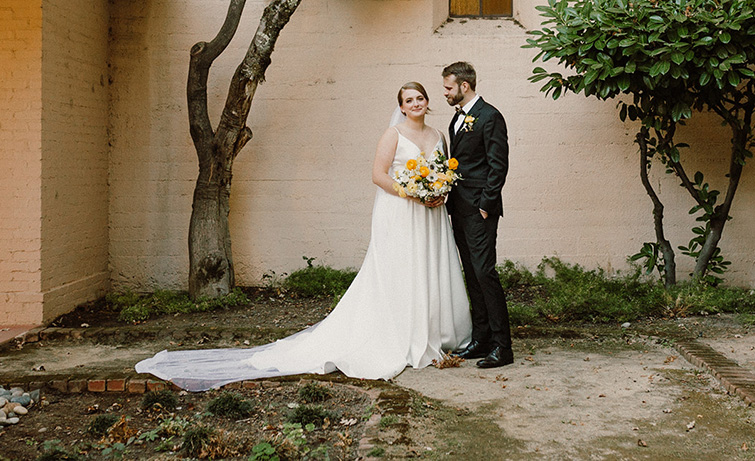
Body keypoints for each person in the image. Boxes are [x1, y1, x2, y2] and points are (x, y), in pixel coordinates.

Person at [135, 82, 471, 391]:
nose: (415, 103)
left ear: (427, 103)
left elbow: (443, 171)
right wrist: (411, 193)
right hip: (401, 212)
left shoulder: (439, 135)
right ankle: (400, 333)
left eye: (420, 98)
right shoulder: (393, 134)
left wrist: (437, 191)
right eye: (408, 100)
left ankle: (429, 331)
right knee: (400, 271)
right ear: (401, 105)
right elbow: (377, 175)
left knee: (427, 268)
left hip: (431, 214)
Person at [442, 61, 513, 369]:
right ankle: (481, 338)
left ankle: (502, 345)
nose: (444, 92)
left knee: (485, 272)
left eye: (448, 87)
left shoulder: (489, 116)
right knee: (471, 273)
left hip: (480, 210)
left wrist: (486, 203)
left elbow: (498, 165)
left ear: (464, 86)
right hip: (458, 207)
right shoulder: (457, 120)